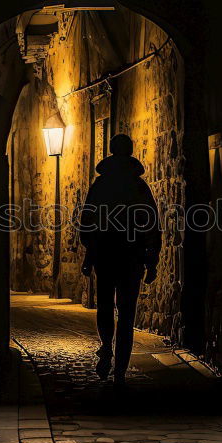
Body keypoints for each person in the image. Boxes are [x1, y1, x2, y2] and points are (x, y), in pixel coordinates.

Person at [79, 133, 160, 387]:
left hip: (105, 255)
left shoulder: (101, 185)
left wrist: (89, 255)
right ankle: (120, 370)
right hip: (132, 256)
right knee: (127, 313)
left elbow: (88, 223)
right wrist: (151, 259)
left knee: (105, 306)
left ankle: (106, 347)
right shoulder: (138, 187)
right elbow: (151, 224)